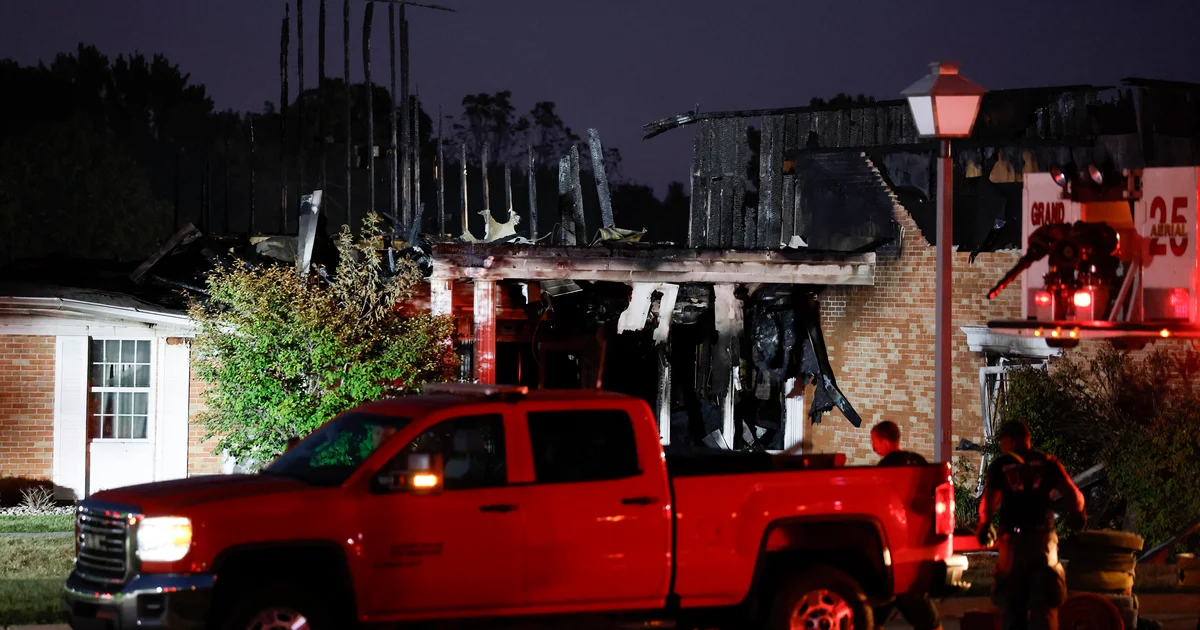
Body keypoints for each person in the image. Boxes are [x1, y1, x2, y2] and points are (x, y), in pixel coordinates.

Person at [977, 420, 1087, 630]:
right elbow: (1076, 497)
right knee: (1044, 605)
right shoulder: (1048, 463)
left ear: (1009, 440)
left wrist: (985, 525)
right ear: (1028, 439)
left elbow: (988, 504)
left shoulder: (1000, 465)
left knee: (1011, 606)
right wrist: (1078, 515)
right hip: (1042, 542)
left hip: (1012, 544)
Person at [869, 421, 942, 630]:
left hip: (898, 543)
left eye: (874, 442)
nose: (874, 448)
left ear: (884, 440)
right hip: (920, 539)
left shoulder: (887, 467)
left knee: (898, 595)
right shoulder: (918, 461)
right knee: (899, 597)